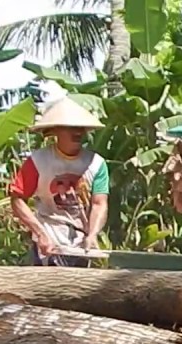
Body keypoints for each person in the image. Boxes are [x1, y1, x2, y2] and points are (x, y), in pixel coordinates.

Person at [8, 96, 109, 267]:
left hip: (80, 242)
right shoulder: (38, 161)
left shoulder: (96, 163)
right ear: (55, 131)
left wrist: (92, 234)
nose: (77, 132)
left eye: (80, 128)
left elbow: (99, 204)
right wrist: (39, 232)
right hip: (48, 238)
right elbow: (17, 199)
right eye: (70, 128)